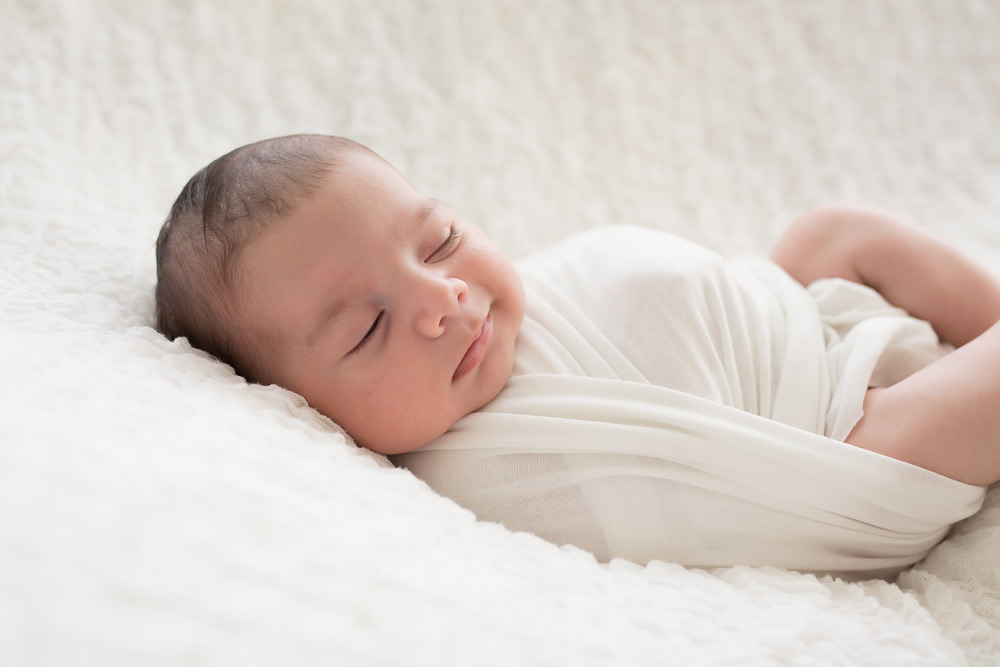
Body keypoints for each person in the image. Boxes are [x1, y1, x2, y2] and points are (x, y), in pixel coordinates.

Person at [156, 134, 999, 572]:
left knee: (829, 232)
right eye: (367, 328)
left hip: (795, 320)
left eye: (441, 239)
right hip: (842, 440)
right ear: (295, 406)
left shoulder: (507, 315)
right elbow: (692, 509)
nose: (441, 298)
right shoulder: (471, 477)